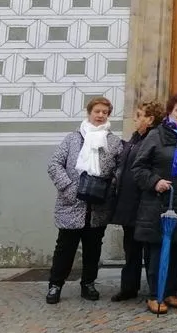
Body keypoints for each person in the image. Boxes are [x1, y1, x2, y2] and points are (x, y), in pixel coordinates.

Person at [132, 94, 177, 314]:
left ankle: (172, 291)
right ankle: (156, 294)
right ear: (169, 113)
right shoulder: (156, 135)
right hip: (160, 202)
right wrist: (155, 182)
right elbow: (138, 168)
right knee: (158, 249)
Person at [45, 97, 123, 304]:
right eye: (97, 111)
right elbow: (54, 165)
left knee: (93, 248)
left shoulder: (114, 142)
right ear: (89, 113)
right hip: (72, 203)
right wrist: (69, 188)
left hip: (98, 206)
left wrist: (109, 187)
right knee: (65, 247)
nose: (100, 115)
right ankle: (55, 285)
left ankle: (88, 283)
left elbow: (119, 170)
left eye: (105, 112)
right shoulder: (73, 139)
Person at [110, 99, 164, 302]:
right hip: (129, 204)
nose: (135, 119)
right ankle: (129, 287)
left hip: (145, 204)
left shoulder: (154, 139)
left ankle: (154, 290)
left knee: (150, 250)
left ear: (150, 119)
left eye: (139, 115)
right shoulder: (135, 138)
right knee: (131, 250)